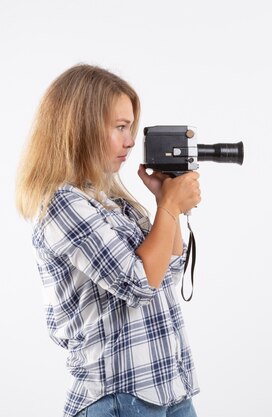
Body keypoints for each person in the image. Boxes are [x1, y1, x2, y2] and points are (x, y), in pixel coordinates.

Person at [16, 64, 201, 417]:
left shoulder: (113, 202)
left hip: (168, 387)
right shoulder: (62, 204)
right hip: (119, 396)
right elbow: (138, 283)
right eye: (120, 127)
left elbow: (167, 271)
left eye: (129, 126)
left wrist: (168, 204)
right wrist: (169, 205)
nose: (131, 140)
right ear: (81, 129)